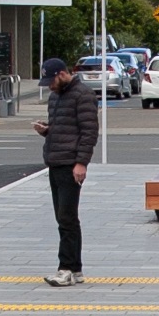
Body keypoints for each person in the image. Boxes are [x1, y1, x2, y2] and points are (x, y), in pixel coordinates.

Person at [35, 52, 96, 286]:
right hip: (55, 160)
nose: (49, 86)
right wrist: (46, 130)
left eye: (51, 81)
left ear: (62, 74)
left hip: (70, 163)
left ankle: (66, 268)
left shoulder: (83, 95)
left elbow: (89, 132)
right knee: (64, 217)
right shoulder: (55, 97)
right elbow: (63, 128)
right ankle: (76, 268)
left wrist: (81, 163)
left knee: (66, 217)